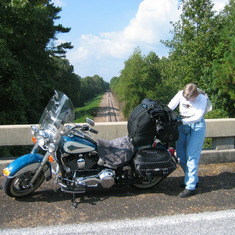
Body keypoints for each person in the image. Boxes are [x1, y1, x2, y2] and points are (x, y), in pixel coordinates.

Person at [168, 83, 208, 198]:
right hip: (182, 126)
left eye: (189, 98)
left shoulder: (202, 98)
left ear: (195, 95)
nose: (187, 100)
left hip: (197, 127)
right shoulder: (181, 94)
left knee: (191, 157)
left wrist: (182, 122)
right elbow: (170, 107)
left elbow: (198, 117)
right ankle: (192, 179)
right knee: (181, 156)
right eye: (185, 98)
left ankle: (190, 187)